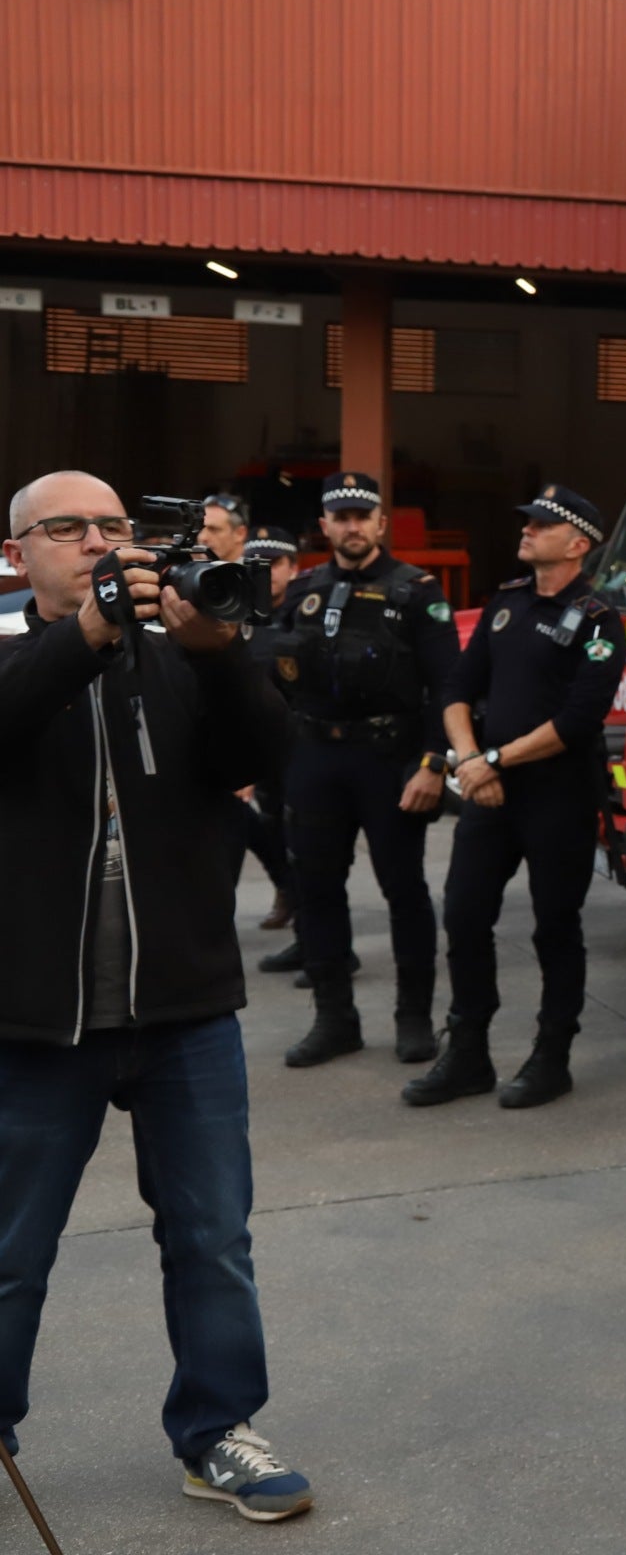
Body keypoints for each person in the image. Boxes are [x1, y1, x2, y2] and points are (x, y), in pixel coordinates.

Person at [0, 471, 314, 1522]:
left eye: (112, 527)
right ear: (18, 553)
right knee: (11, 1247)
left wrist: (220, 653)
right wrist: (82, 636)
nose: (96, 542)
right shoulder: (13, 643)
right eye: (67, 529)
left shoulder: (178, 648)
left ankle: (216, 1431)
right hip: (36, 1017)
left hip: (183, 1006)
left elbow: (265, 755)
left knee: (212, 1233)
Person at [403, 487, 626, 1110]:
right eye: (527, 521)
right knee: (465, 915)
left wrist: (494, 760)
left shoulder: (600, 618)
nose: (527, 530)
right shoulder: (506, 604)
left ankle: (551, 1056)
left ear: (577, 543)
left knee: (556, 927)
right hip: (489, 792)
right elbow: (454, 688)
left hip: (557, 796)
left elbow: (580, 719)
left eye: (542, 525)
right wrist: (472, 761)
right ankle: (468, 1050)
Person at [270, 472, 458, 1069]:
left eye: (362, 515)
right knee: (317, 890)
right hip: (315, 760)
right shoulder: (302, 590)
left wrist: (434, 762)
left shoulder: (416, 592)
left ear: (380, 523)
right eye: (340, 516)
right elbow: (273, 682)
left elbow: (447, 687)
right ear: (324, 526)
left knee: (403, 891)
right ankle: (335, 1020)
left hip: (389, 761)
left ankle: (413, 1018)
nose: (352, 526)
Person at [236, 526, 300, 932]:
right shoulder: (237, 615)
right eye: (255, 563)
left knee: (306, 835)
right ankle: (286, 888)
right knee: (264, 824)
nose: (265, 572)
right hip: (259, 747)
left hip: (304, 745)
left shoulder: (305, 611)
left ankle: (309, 917)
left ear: (293, 568)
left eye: (274, 563)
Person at [199, 492, 250, 565]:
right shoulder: (190, 573)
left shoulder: (257, 574)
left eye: (213, 529)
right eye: (200, 528)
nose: (203, 537)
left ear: (240, 534)